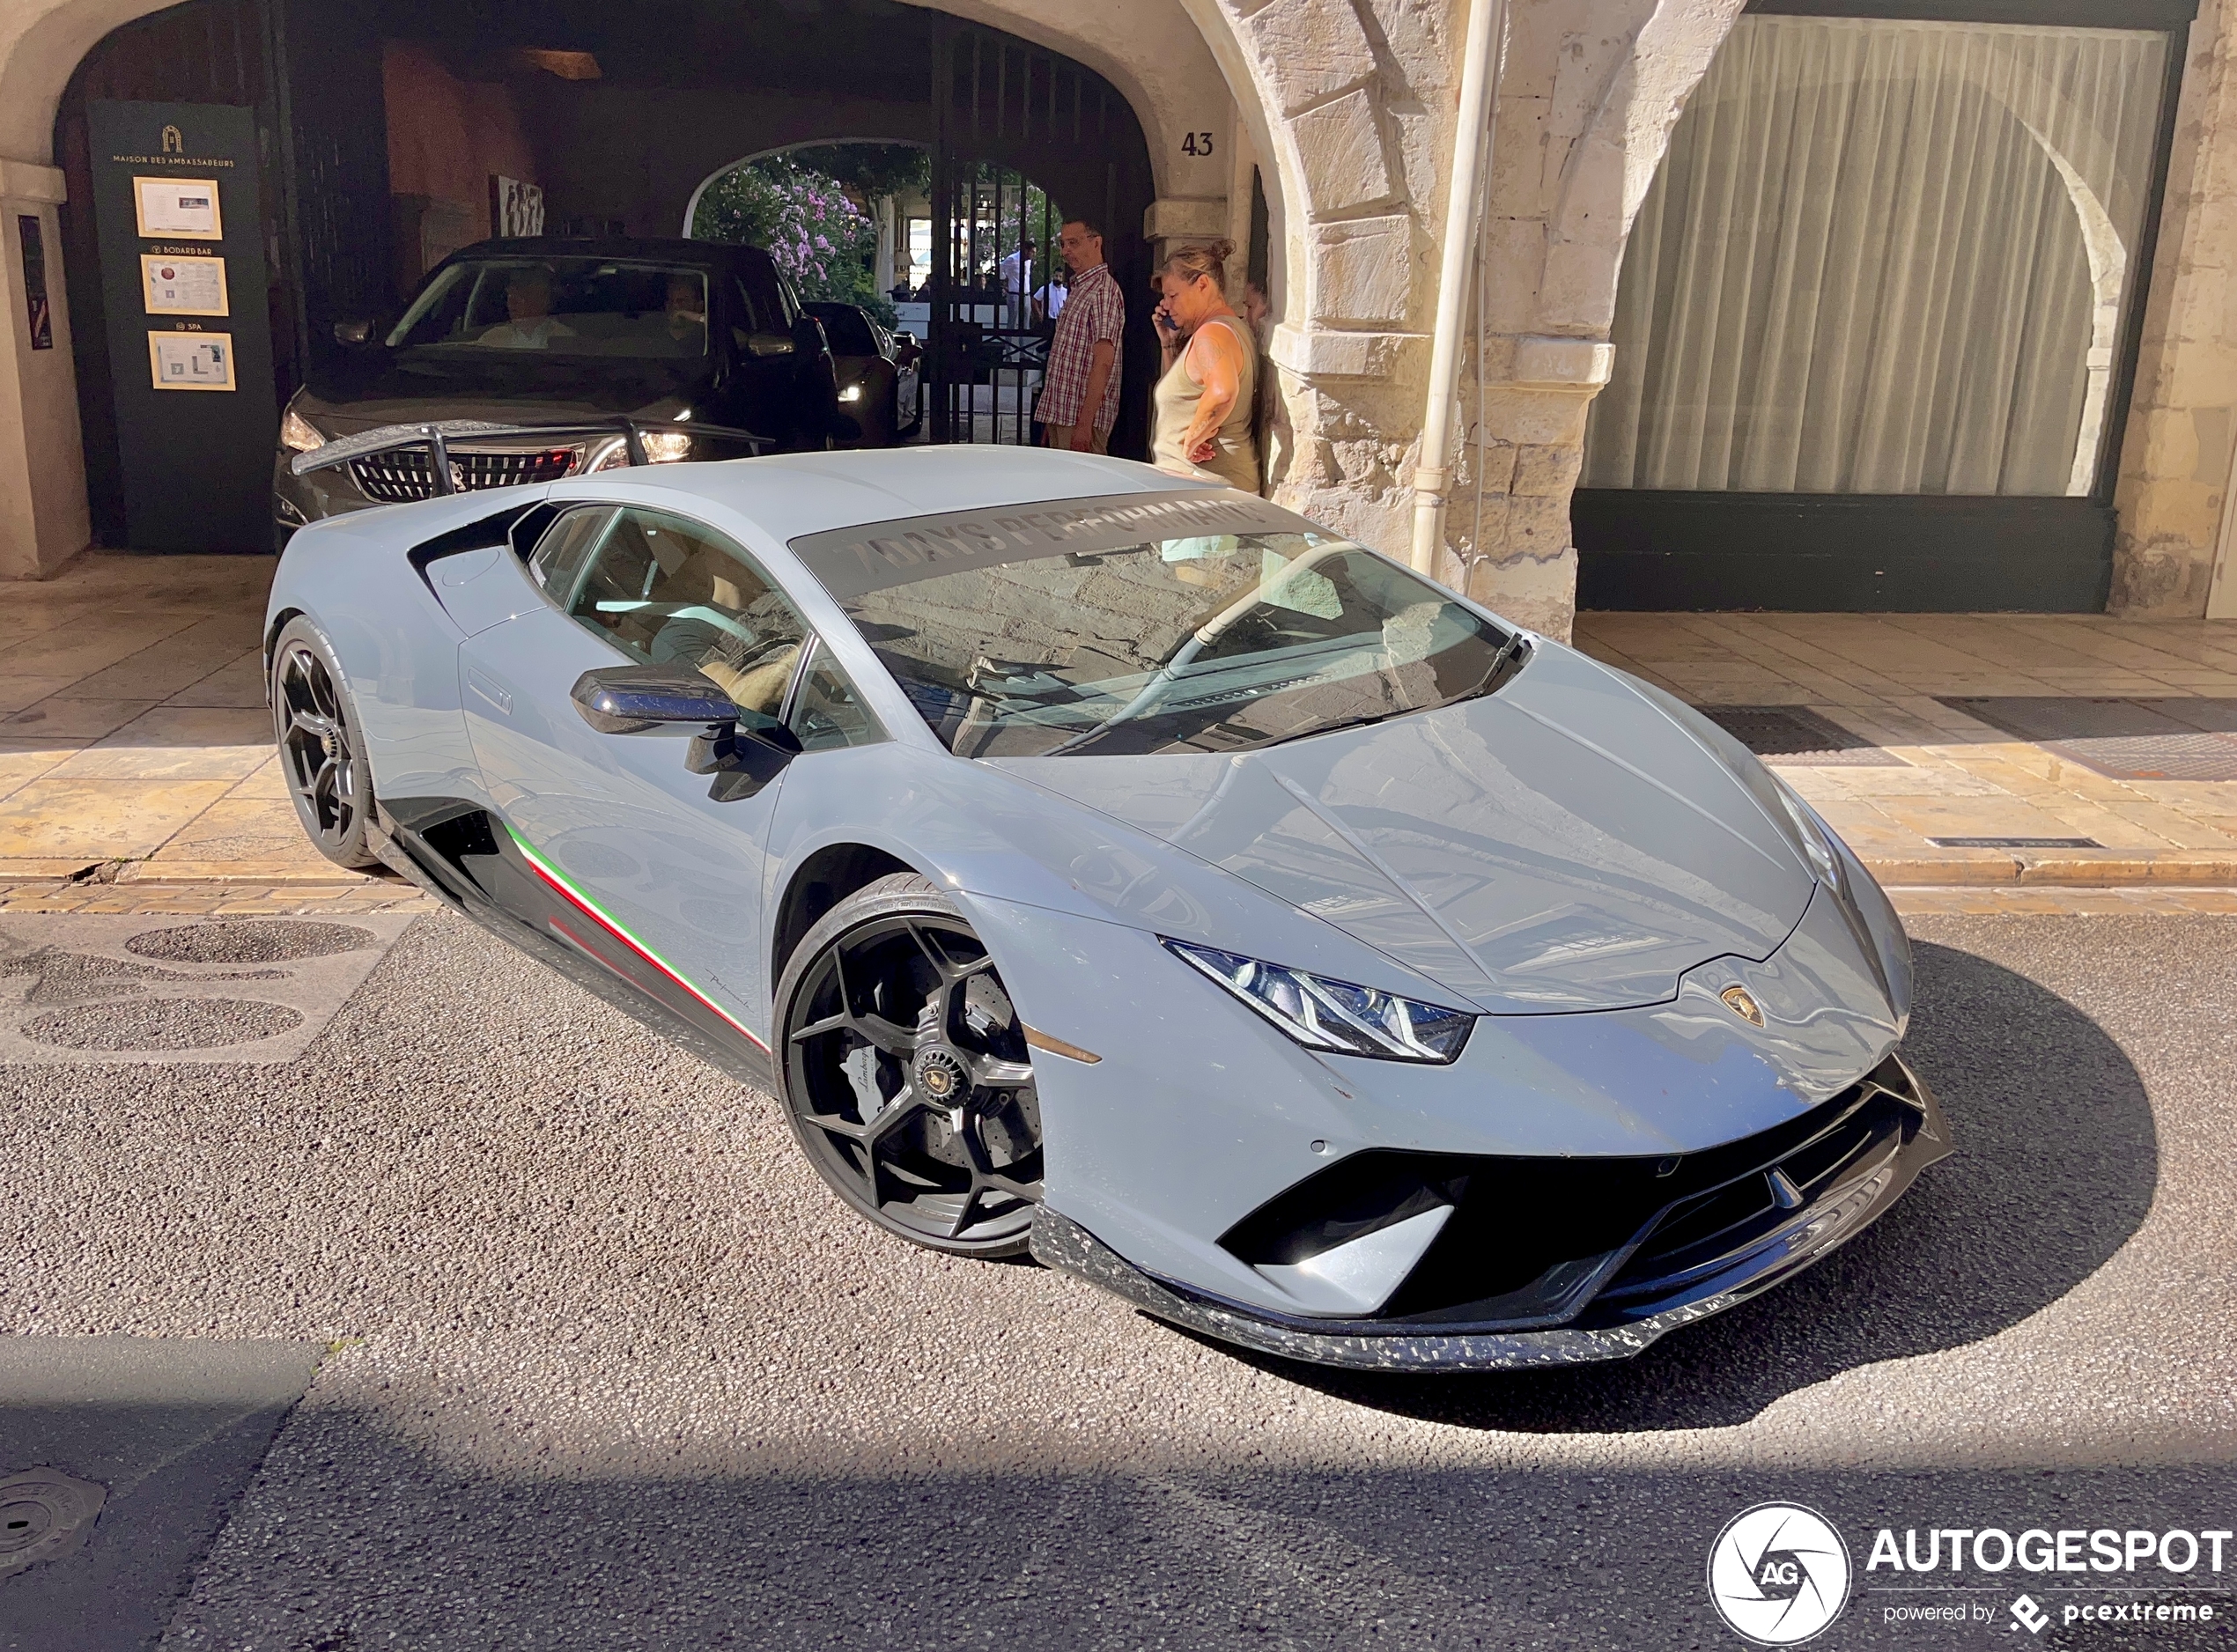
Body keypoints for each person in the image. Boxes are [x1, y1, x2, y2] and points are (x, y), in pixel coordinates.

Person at [1150, 240, 1259, 494]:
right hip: (1208, 492)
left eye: (1173, 295)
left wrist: (1191, 441)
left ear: (1202, 284)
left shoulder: (1212, 334)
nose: (1166, 305)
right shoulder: (1225, 329)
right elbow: (1187, 397)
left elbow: (1223, 392)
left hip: (1208, 495)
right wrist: (1169, 346)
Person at [1035, 217, 1123, 454]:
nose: (1066, 251)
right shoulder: (1081, 288)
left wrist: (1084, 425)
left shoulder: (1102, 291)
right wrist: (1051, 418)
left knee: (1081, 490)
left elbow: (1103, 362)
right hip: (1064, 416)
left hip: (1080, 420)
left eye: (1073, 243)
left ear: (1096, 243)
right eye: (1063, 244)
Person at [476, 268, 574, 350]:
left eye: (521, 296)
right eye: (510, 296)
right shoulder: (491, 339)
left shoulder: (565, 338)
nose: (512, 303)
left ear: (544, 300)